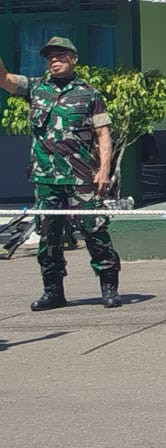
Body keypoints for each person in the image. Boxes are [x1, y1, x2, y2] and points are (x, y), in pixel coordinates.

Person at [0, 36, 120, 310]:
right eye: (50, 56)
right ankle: (53, 291)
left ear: (73, 59)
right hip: (46, 178)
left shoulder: (89, 94)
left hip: (81, 177)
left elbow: (103, 134)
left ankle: (109, 287)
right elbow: (4, 79)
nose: (54, 60)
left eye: (60, 55)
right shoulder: (36, 88)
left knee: (95, 231)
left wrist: (104, 170)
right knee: (48, 236)